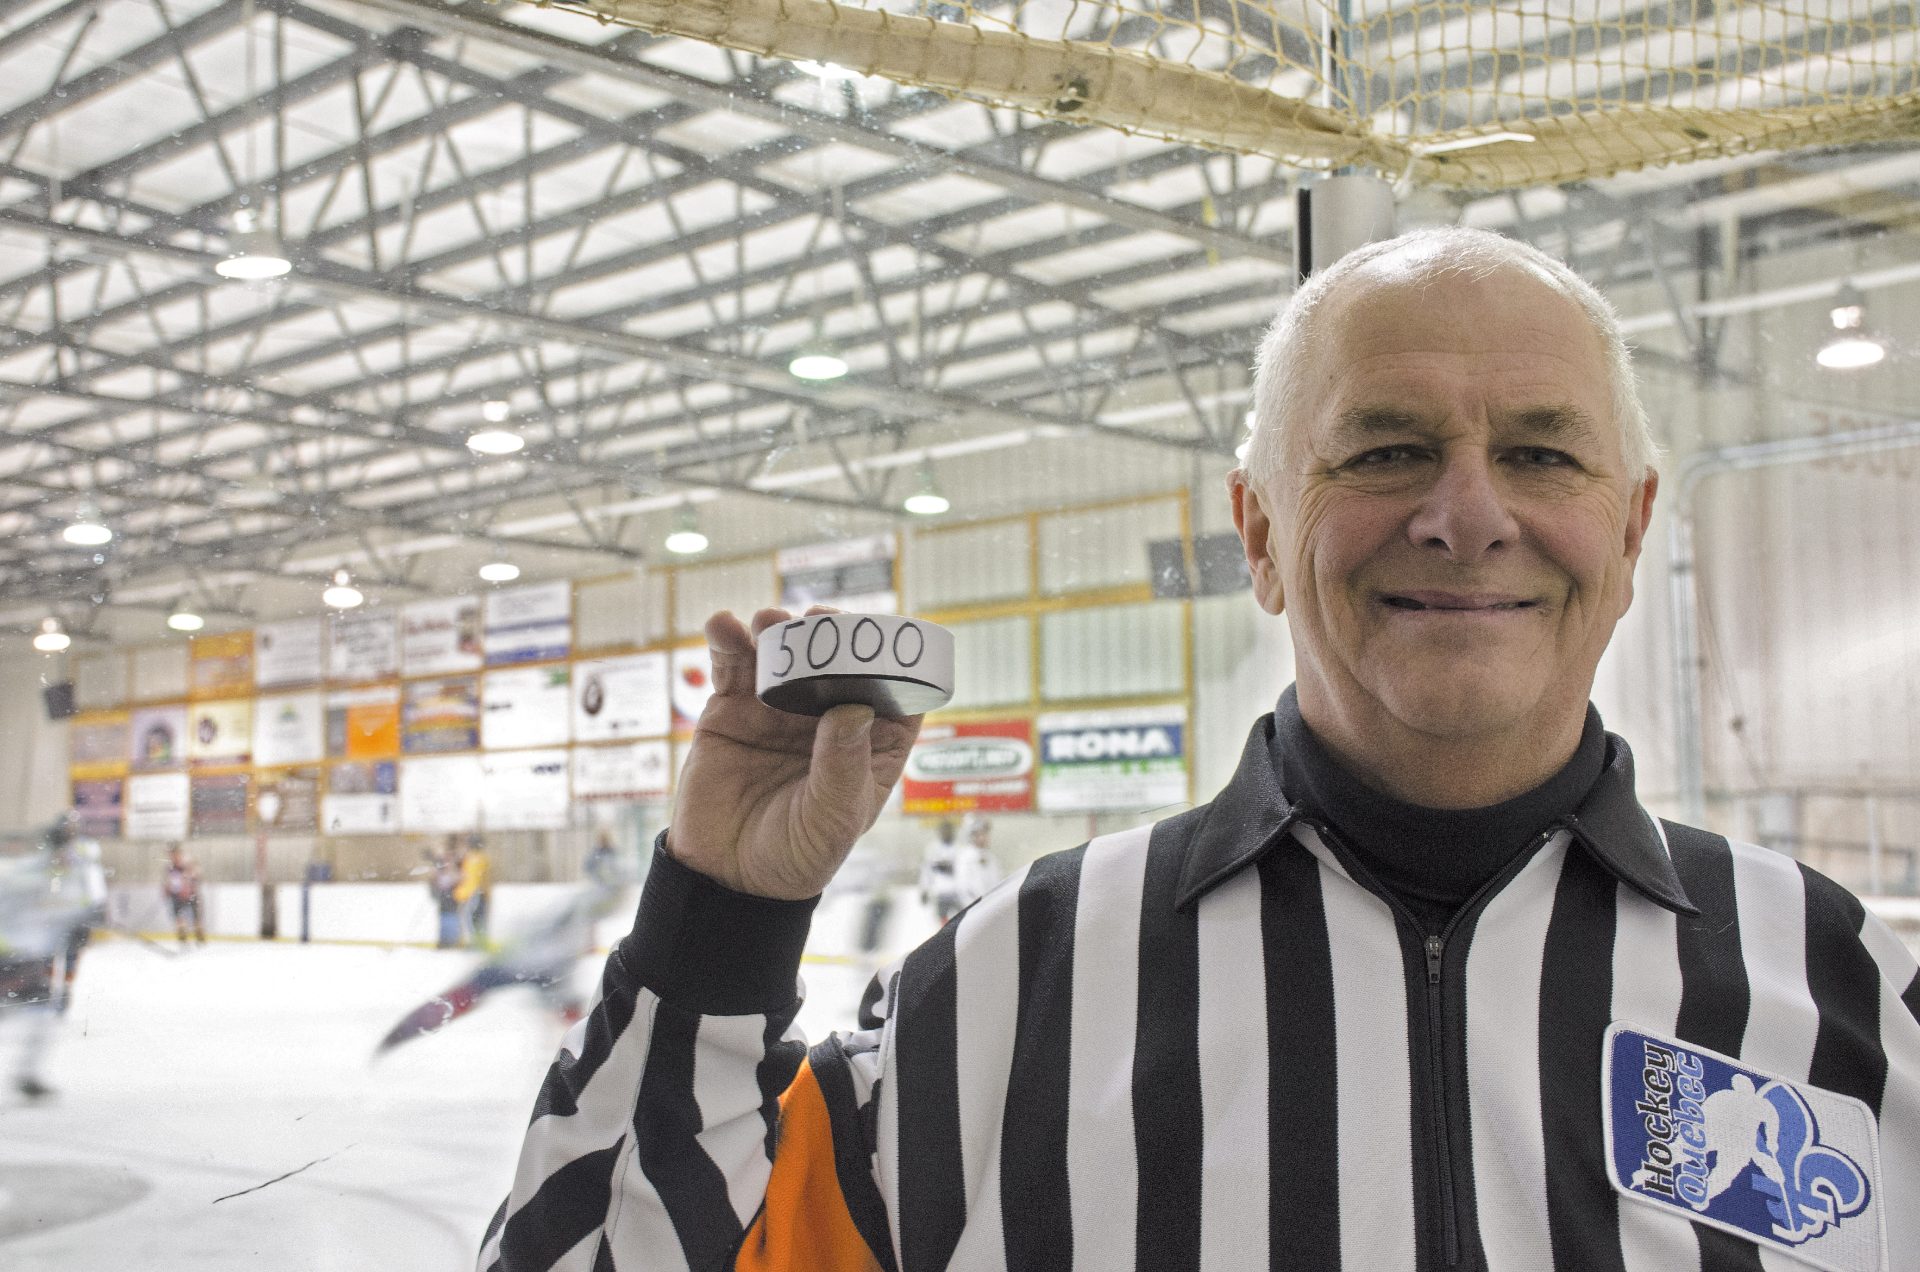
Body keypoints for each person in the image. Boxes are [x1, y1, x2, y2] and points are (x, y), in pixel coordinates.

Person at [481, 229, 1920, 1271]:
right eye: (1383, 450)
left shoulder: (1855, 996)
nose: (1467, 512)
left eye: (1542, 453)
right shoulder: (1008, 985)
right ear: (1258, 535)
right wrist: (719, 919)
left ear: (1631, 525)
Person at [917, 817, 962, 921]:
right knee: (943, 924)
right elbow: (926, 871)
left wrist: (950, 868)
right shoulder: (932, 849)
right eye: (943, 830)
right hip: (941, 892)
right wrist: (924, 889)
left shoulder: (960, 848)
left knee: (960, 921)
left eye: (948, 829)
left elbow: (965, 871)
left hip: (957, 892)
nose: (946, 832)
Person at [163, 844, 204, 948]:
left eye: (173, 854)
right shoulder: (170, 867)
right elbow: (169, 880)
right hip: (176, 894)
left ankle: (199, 937)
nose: (172, 856)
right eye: (170, 854)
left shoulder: (187, 863)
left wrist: (188, 886)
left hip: (190, 894)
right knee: (179, 918)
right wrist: (167, 888)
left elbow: (196, 876)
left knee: (196, 919)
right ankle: (183, 939)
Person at [455, 836, 492, 950]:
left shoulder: (474, 859)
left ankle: (475, 942)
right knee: (477, 919)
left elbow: (473, 879)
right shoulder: (478, 858)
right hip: (478, 893)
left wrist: (468, 893)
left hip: (473, 894)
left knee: (471, 918)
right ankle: (478, 941)